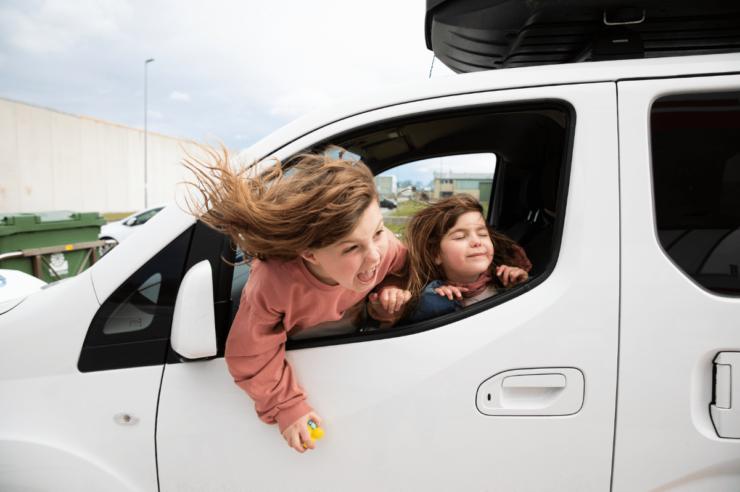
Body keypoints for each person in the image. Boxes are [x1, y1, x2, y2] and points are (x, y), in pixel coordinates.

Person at [184, 146, 408, 453]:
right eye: (351, 248)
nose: (375, 255)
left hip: (359, 342)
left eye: (379, 231)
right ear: (310, 254)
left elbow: (404, 267)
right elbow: (250, 354)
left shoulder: (385, 249)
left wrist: (392, 288)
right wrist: (288, 407)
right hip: (313, 352)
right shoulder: (275, 281)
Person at [374, 194, 531, 324]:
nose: (477, 242)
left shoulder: (504, 281)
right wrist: (434, 301)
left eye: (483, 234)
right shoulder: (431, 297)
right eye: (460, 237)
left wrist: (520, 285)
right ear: (436, 254)